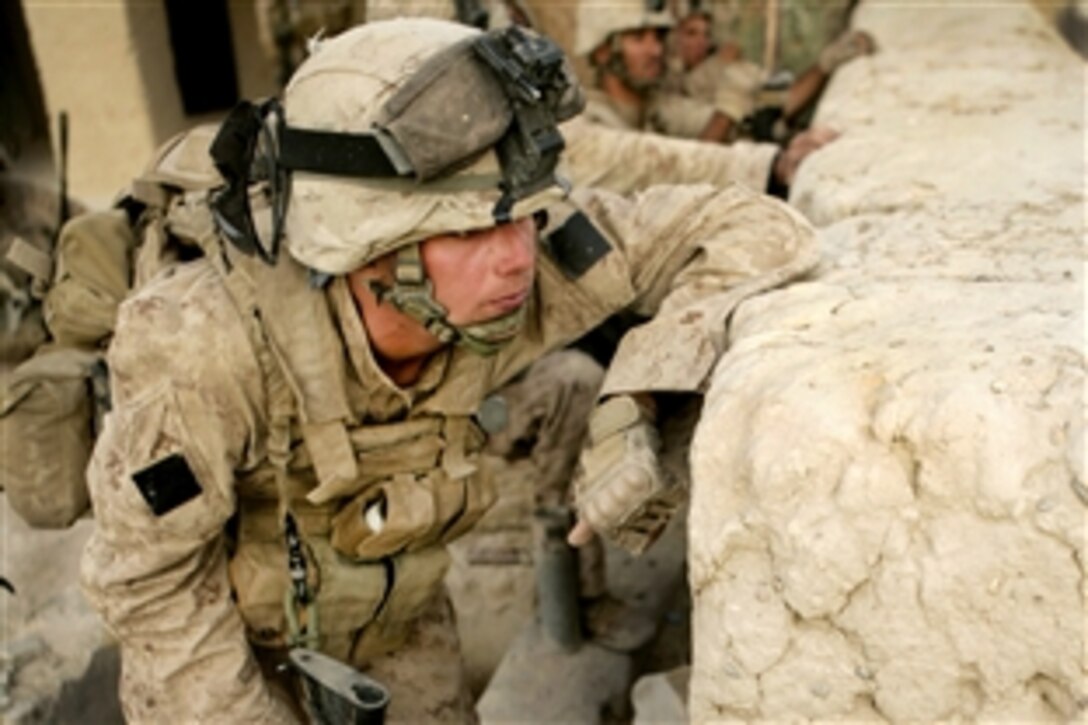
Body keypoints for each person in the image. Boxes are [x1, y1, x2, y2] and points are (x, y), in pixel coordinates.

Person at [79, 17, 817, 723]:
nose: (518, 255)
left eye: (523, 214)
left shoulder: (517, 267)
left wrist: (643, 399)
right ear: (368, 244)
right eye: (470, 229)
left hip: (397, 602)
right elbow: (151, 587)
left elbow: (754, 230)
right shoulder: (202, 343)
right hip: (225, 640)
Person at [572, 0, 834, 196]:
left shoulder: (656, 106)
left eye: (659, 37)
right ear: (604, 51)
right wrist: (770, 164)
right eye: (639, 38)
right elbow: (652, 163)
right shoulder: (586, 120)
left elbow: (721, 127)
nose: (656, 50)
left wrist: (788, 149)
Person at [666, 2, 875, 143]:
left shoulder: (726, 72)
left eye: (707, 33)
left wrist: (825, 64)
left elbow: (782, 101)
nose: (702, 41)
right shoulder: (663, 85)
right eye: (691, 33)